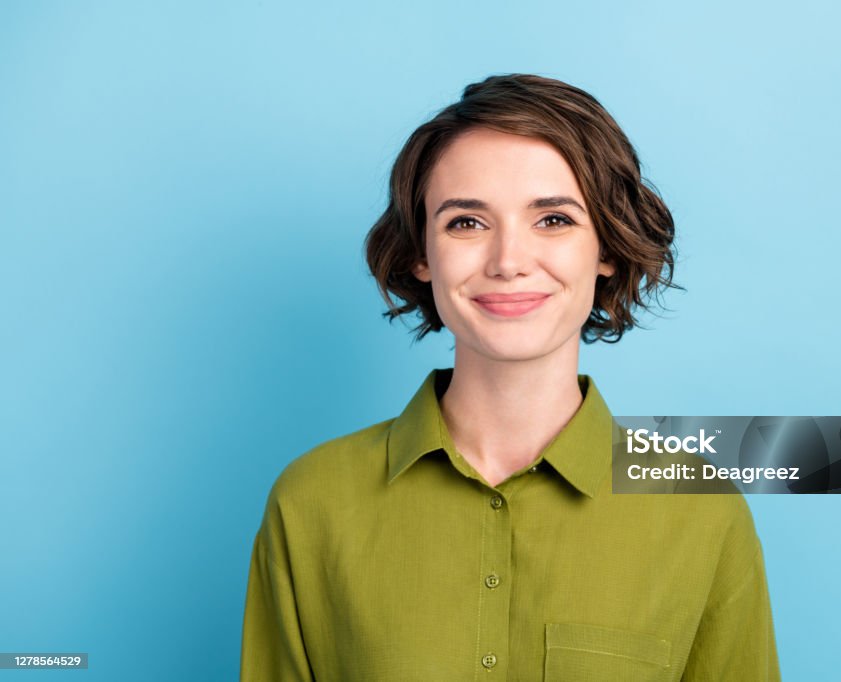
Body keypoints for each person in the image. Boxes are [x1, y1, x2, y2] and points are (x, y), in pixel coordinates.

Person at [240, 73, 780, 681]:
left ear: (605, 246)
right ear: (422, 253)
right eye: (466, 222)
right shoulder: (312, 502)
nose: (508, 262)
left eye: (552, 220)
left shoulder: (700, 509)